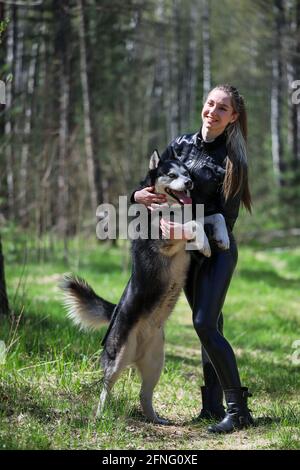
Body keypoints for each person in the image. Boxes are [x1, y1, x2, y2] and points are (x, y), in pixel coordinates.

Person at [131, 84, 253, 433]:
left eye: (222, 108)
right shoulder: (181, 145)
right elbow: (151, 185)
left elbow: (225, 225)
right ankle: (212, 407)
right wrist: (136, 195)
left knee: (204, 324)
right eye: (210, 104)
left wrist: (183, 229)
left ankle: (238, 410)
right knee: (209, 327)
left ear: (232, 118)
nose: (213, 112)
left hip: (216, 252)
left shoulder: (234, 160)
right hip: (185, 255)